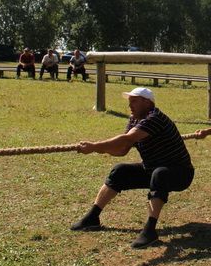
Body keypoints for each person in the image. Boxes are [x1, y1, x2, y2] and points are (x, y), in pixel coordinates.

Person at [70, 87, 195, 248]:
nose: (130, 106)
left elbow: (127, 138)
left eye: (134, 101)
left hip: (181, 174)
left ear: (147, 103)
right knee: (120, 171)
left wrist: (94, 146)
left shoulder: (155, 118)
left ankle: (150, 230)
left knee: (160, 174)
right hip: (151, 169)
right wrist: (97, 149)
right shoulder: (134, 119)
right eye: (129, 102)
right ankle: (92, 218)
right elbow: (122, 150)